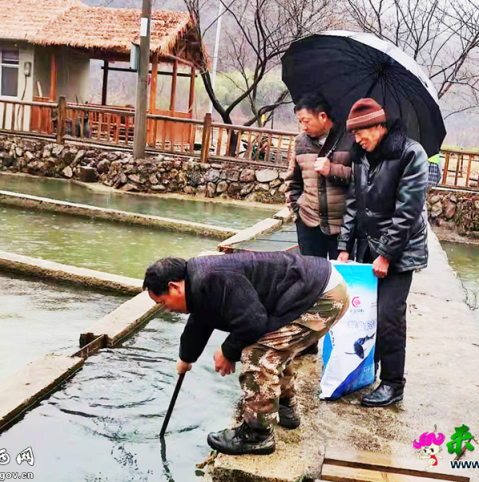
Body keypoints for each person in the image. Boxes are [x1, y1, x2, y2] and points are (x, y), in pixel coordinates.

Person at [143, 252, 349, 455]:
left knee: (259, 353)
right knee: (275, 344)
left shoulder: (212, 277)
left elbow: (253, 321)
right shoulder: (199, 280)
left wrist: (227, 351)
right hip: (318, 287)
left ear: (174, 287)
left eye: (162, 303)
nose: (167, 310)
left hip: (322, 298)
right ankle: (284, 407)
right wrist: (186, 357)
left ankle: (257, 435)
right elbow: (201, 320)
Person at [337, 98, 428, 407]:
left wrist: (387, 254)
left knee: (389, 316)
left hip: (401, 251)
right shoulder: (361, 156)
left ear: (379, 127)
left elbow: (408, 212)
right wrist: (344, 247)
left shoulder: (411, 155)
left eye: (361, 132)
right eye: (354, 134)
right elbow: (354, 203)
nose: (357, 139)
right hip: (367, 244)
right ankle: (367, 371)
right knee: (365, 315)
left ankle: (393, 383)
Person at [285, 93, 353, 260]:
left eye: (306, 121)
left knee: (340, 280)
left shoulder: (349, 140)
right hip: (308, 223)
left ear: (322, 116)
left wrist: (333, 170)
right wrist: (296, 213)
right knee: (311, 278)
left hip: (341, 227)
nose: (303, 127)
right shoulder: (300, 142)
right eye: (300, 122)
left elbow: (361, 180)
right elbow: (292, 181)